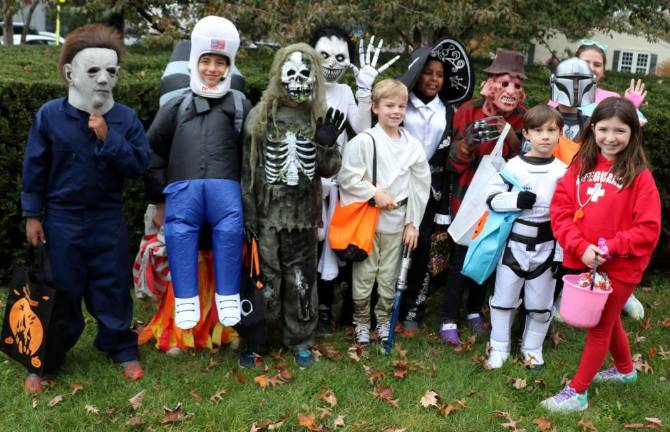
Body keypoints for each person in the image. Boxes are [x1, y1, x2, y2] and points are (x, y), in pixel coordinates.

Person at [21, 24, 150, 392]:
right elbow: (35, 168)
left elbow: (140, 166)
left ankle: (121, 347)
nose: (103, 79)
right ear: (69, 74)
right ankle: (47, 357)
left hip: (107, 218)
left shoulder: (125, 119)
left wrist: (110, 138)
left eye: (111, 71)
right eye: (93, 71)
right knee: (59, 290)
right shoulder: (50, 116)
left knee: (112, 286)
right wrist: (33, 215)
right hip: (61, 221)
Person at [541, 97, 661, 412]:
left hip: (621, 266)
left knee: (599, 326)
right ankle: (625, 370)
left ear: (633, 133)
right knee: (608, 318)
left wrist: (611, 247)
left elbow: (648, 228)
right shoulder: (580, 165)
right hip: (585, 259)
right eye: (603, 129)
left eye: (620, 130)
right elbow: (561, 211)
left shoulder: (639, 175)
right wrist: (580, 247)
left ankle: (577, 393)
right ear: (592, 128)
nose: (610, 137)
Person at [240, 43, 343, 368]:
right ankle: (258, 340)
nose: (299, 81)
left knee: (301, 281)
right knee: (266, 281)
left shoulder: (317, 118)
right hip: (268, 217)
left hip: (303, 217)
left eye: (305, 74)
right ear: (278, 76)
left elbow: (328, 169)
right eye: (291, 74)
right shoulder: (261, 117)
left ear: (314, 78)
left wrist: (326, 146)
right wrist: (249, 214)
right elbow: (247, 170)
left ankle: (300, 339)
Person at [145, 16, 251, 330]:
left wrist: (249, 194)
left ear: (229, 66)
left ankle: (229, 296)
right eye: (206, 61)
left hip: (226, 190)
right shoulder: (176, 105)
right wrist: (158, 198)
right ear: (195, 63)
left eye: (221, 62)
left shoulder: (239, 104)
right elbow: (152, 149)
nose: (213, 69)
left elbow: (250, 150)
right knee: (179, 233)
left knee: (231, 233)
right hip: (182, 191)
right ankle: (186, 300)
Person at [310, 26, 396, 335]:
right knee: (312, 248)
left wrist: (363, 90)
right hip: (309, 184)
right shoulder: (303, 88)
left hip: (341, 183)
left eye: (339, 57)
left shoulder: (345, 92)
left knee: (339, 247)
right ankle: (313, 309)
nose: (331, 62)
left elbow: (361, 128)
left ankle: (337, 309)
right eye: (324, 55)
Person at [440, 49, 528, 348]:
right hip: (467, 196)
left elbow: (527, 165)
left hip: (501, 200)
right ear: (491, 84)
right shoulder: (468, 111)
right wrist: (468, 143)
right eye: (504, 83)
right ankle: (448, 316)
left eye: (516, 86)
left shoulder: (523, 117)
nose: (510, 91)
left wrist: (512, 137)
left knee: (490, 253)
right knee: (461, 256)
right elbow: (450, 164)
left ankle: (475, 310)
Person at [338, 78, 431, 347]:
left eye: (401, 106)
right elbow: (348, 178)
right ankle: (361, 322)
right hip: (368, 221)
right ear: (375, 108)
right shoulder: (365, 141)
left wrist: (412, 222)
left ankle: (383, 319)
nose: (396, 111)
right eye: (389, 105)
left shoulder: (412, 145)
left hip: (397, 221)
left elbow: (420, 185)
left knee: (389, 276)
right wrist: (374, 193)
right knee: (365, 276)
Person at [398, 37, 474, 335]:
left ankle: (414, 308)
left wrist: (444, 205)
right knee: (394, 245)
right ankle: (385, 304)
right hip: (399, 186)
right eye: (428, 72)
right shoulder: (401, 105)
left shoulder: (448, 111)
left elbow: (449, 159)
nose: (433, 79)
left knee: (424, 248)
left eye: (439, 75)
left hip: (432, 190)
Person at [485, 105, 567, 369]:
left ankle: (532, 349)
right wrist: (514, 199)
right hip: (515, 244)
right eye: (538, 130)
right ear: (526, 134)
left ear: (560, 133)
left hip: (548, 244)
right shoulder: (514, 166)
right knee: (503, 300)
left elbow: (570, 216)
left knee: (541, 305)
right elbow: (491, 199)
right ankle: (499, 348)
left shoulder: (564, 171)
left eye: (551, 130)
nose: (545, 136)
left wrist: (561, 253)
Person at [576, 40, 647, 319]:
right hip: (575, 176)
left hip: (606, 178)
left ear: (604, 69)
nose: (592, 69)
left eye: (597, 64)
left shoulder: (608, 97)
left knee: (606, 232)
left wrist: (632, 106)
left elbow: (626, 131)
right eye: (586, 63)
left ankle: (620, 292)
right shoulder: (560, 93)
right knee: (575, 237)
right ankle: (569, 290)